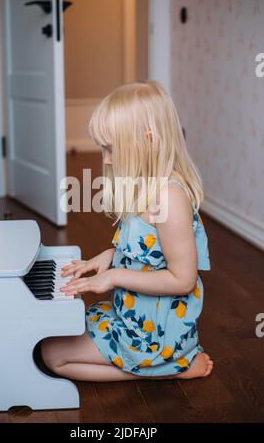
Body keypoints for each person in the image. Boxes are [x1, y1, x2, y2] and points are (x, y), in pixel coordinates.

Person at [41, 81, 213, 381]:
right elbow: (146, 248)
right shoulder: (143, 185)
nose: (106, 158)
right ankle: (165, 364)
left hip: (155, 334)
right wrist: (106, 258)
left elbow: (182, 280)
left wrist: (113, 277)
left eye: (111, 148)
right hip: (132, 314)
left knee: (53, 357)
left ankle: (169, 369)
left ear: (149, 140)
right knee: (50, 337)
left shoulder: (169, 198)